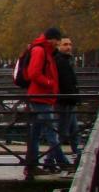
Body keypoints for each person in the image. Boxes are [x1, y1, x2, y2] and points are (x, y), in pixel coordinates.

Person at [25, 27, 71, 173]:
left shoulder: (43, 50)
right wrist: (50, 83)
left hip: (41, 95)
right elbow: (34, 73)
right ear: (51, 39)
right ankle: (62, 162)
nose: (58, 44)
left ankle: (31, 164)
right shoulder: (40, 50)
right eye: (57, 41)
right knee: (51, 131)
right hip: (41, 96)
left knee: (36, 132)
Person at [54, 37, 82, 161]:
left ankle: (77, 153)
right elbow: (64, 82)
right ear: (58, 46)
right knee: (63, 131)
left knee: (73, 130)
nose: (68, 47)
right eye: (65, 44)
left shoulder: (66, 60)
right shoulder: (60, 61)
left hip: (69, 99)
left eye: (70, 44)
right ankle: (52, 159)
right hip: (64, 100)